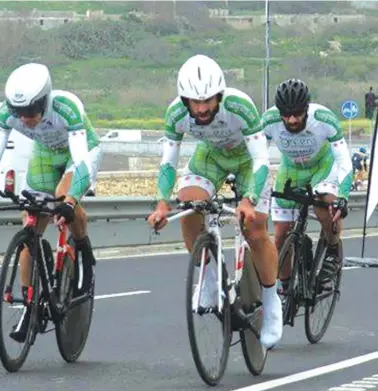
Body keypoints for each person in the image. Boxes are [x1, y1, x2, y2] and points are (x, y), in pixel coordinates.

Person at [147, 54, 282, 349]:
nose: (201, 108)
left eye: (208, 100)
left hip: (247, 161)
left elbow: (261, 159)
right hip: (211, 157)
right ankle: (208, 275)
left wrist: (248, 199)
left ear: (219, 94)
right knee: (188, 203)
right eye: (194, 102)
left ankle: (272, 302)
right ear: (184, 100)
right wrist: (160, 202)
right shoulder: (175, 115)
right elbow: (168, 164)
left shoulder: (240, 106)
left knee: (255, 228)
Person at [0, 63, 102, 342]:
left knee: (61, 196)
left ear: (44, 101)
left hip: (78, 151)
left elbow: (80, 163)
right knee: (30, 222)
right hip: (45, 153)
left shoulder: (66, 108)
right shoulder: (8, 114)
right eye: (20, 113)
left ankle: (83, 251)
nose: (26, 119)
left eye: (31, 112)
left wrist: (69, 201)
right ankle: (29, 308)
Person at [262, 79, 353, 288]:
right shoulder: (268, 121)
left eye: (298, 113)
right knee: (281, 235)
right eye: (286, 114)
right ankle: (285, 289)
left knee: (324, 202)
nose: (292, 119)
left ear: (307, 108)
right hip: (291, 168)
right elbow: (256, 157)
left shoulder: (323, 119)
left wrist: (343, 197)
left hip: (322, 165)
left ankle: (332, 250)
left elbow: (344, 160)